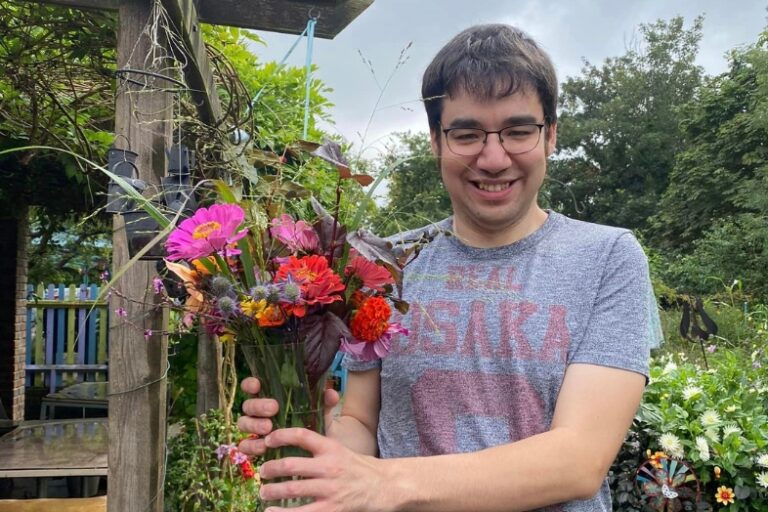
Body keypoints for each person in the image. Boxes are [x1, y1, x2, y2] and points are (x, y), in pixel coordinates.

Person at [238, 23, 662, 511]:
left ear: (551, 137)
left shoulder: (608, 257)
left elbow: (577, 460)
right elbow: (359, 421)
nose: (494, 157)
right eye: (466, 133)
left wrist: (383, 483)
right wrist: (310, 434)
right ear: (436, 141)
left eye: (519, 131)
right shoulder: (382, 264)